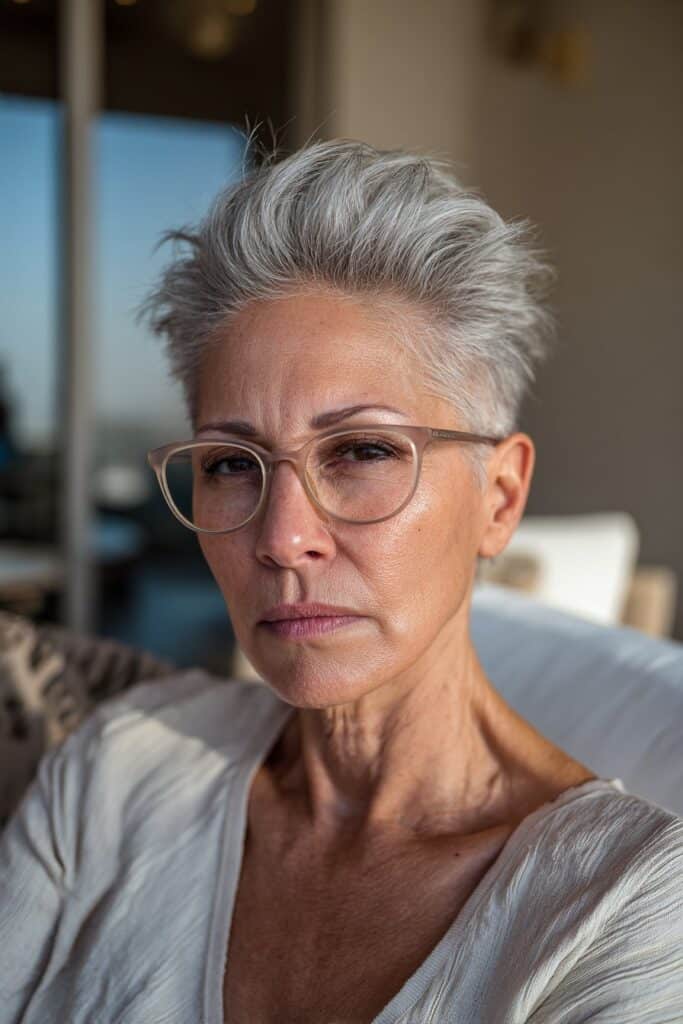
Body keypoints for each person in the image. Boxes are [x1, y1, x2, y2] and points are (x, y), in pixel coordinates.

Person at [1, 139, 682, 1024]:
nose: (281, 539)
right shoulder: (119, 768)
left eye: (361, 451)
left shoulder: (625, 915)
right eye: (232, 464)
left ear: (499, 498)